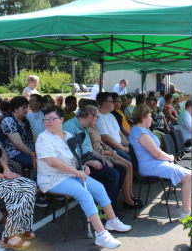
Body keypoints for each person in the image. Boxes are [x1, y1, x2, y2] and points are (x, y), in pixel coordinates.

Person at [36, 106, 131, 249]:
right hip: (52, 179)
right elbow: (53, 162)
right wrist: (77, 172)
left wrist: (82, 166)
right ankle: (101, 235)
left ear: (61, 120)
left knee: (98, 187)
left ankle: (112, 220)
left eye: (52, 119)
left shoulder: (67, 136)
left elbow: (75, 157)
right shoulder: (43, 138)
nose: (48, 122)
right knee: (84, 193)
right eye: (45, 119)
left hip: (70, 175)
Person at [0, 103, 36, 250]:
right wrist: (5, 176)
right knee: (16, 190)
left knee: (29, 185)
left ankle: (22, 227)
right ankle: (9, 236)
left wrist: (7, 170)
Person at [129, 105, 192, 219]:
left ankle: (188, 209)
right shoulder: (141, 133)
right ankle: (186, 213)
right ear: (143, 118)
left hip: (153, 164)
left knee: (188, 176)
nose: (152, 119)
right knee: (189, 177)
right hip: (150, 166)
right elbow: (156, 153)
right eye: (149, 116)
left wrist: (168, 158)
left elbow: (156, 153)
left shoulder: (140, 130)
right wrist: (170, 157)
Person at [63, 105, 127, 214]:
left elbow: (89, 148)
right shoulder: (69, 127)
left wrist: (102, 158)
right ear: (90, 117)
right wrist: (87, 161)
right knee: (112, 174)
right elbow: (67, 153)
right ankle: (109, 212)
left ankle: (105, 205)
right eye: (97, 117)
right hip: (78, 165)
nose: (97, 120)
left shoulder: (85, 126)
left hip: (89, 159)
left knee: (121, 170)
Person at [95, 92, 131, 163]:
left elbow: (120, 133)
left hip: (120, 146)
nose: (114, 103)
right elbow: (106, 138)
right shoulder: (98, 117)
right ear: (105, 103)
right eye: (112, 102)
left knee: (136, 153)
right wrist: (123, 149)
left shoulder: (111, 115)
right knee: (129, 159)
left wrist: (129, 146)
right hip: (111, 148)